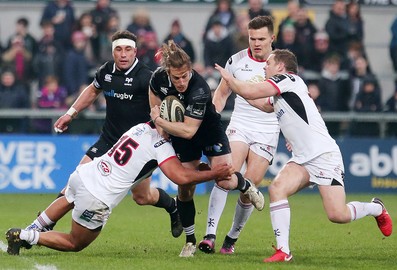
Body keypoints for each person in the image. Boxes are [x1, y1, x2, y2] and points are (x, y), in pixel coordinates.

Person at [215, 48, 393, 263]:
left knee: (338, 215)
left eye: (269, 63)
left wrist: (230, 78)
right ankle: (284, 251)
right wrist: (236, 90)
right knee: (277, 188)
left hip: (323, 155)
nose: (265, 66)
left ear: (280, 66)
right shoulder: (280, 91)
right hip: (301, 158)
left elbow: (254, 92)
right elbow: (260, 103)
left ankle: (376, 208)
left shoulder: (288, 79)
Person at [28, 30, 183, 240]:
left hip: (136, 149)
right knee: (77, 179)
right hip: (108, 140)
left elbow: (166, 105)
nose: (123, 54)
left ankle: (173, 207)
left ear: (135, 52)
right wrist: (70, 114)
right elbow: (92, 90)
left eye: (128, 49)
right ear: (112, 52)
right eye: (118, 49)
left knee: (142, 196)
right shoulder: (106, 71)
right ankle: (44, 225)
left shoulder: (146, 78)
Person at [5, 121, 235, 255]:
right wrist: (216, 172)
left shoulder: (141, 127)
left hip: (83, 174)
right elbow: (181, 177)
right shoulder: (161, 145)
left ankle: (32, 228)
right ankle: (25, 235)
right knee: (75, 242)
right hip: (98, 196)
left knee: (68, 199)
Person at [148, 40, 265, 257]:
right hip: (181, 136)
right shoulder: (158, 78)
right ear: (167, 73)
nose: (181, 81)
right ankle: (190, 240)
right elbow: (154, 99)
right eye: (176, 78)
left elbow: (190, 130)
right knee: (185, 186)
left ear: (191, 69)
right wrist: (158, 119)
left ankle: (245, 184)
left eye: (185, 75)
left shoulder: (200, 89)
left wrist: (161, 122)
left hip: (207, 131)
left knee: (224, 178)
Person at [199, 15, 279, 255]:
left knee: (249, 189)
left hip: (268, 130)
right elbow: (222, 94)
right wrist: (211, 120)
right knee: (225, 175)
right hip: (240, 124)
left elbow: (286, 101)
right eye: (252, 38)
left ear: (272, 38)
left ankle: (230, 239)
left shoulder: (281, 63)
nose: (256, 43)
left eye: (261, 39)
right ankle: (209, 235)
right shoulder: (236, 60)